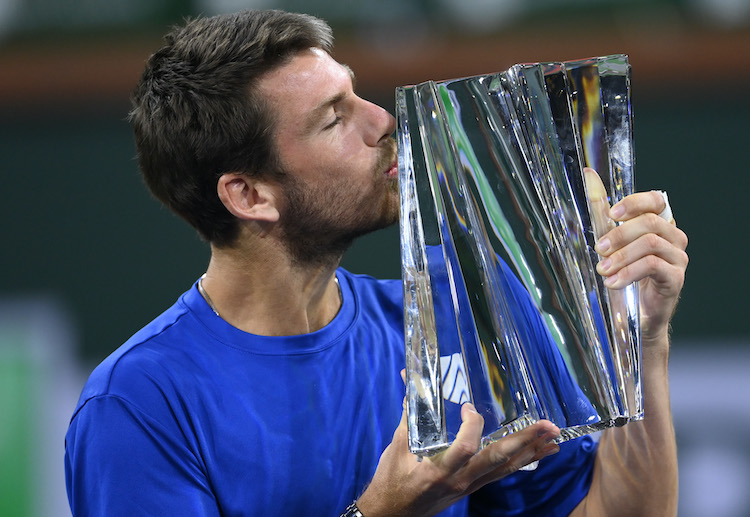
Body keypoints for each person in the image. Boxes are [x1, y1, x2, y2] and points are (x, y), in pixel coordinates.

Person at [64, 9, 688, 517]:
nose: (382, 120)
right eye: (335, 118)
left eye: (357, 93)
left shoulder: (462, 310)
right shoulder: (137, 403)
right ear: (250, 195)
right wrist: (384, 513)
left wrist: (641, 338)